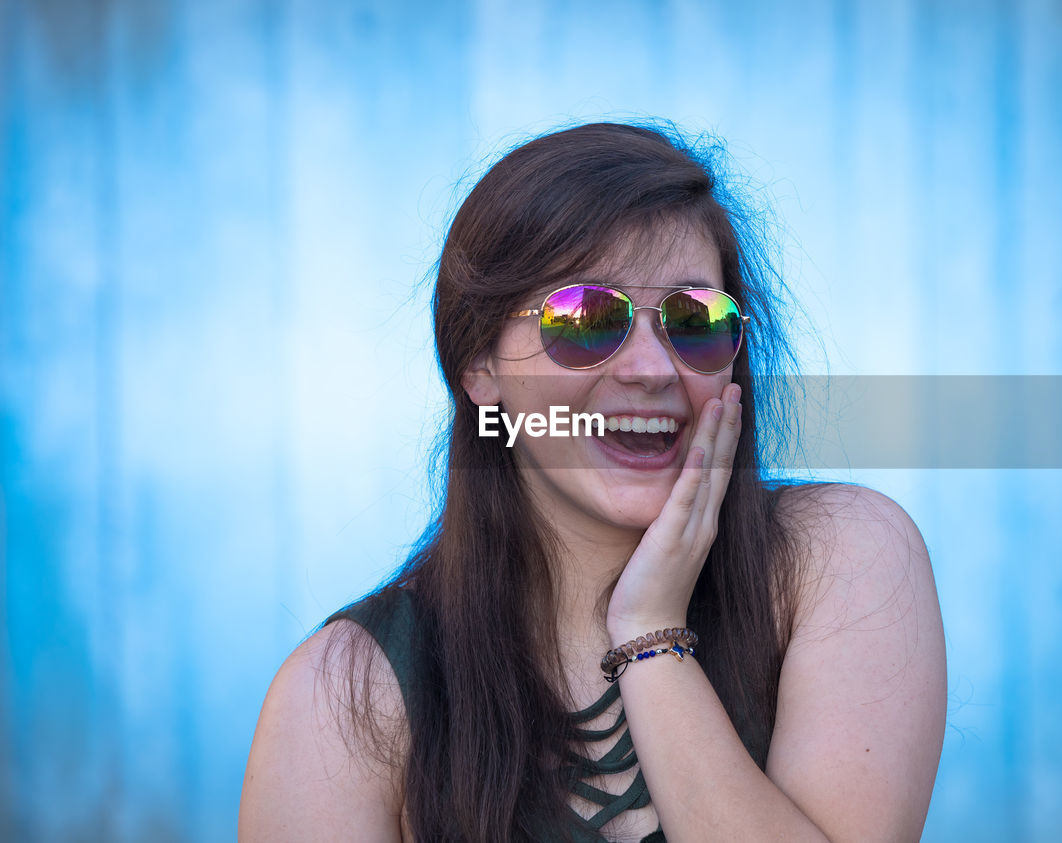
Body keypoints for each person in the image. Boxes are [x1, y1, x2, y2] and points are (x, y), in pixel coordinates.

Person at [240, 121, 946, 842]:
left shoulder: (844, 558)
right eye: (584, 320)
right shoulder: (342, 693)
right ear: (480, 366)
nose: (650, 368)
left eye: (695, 320)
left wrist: (649, 635)